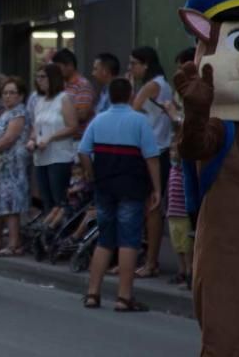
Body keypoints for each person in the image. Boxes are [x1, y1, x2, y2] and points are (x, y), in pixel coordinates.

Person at [79, 78, 160, 312]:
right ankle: (124, 297)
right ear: (131, 94)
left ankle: (93, 293)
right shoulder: (139, 121)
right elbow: (151, 157)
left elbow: (84, 151)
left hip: (104, 186)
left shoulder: (99, 119)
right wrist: (157, 188)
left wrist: (90, 173)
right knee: (129, 240)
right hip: (132, 186)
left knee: (105, 239)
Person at [129, 46, 174, 278]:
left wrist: (129, 88)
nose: (131, 69)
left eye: (133, 64)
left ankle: (151, 261)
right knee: (151, 207)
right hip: (159, 149)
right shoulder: (163, 84)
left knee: (152, 208)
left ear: (145, 64)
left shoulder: (151, 85)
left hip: (152, 151)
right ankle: (147, 259)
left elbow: (132, 112)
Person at [27, 64, 78, 213]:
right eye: (37, 77)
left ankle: (61, 232)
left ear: (53, 78)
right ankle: (48, 231)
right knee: (46, 200)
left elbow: (72, 126)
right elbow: (36, 126)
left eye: (43, 77)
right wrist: (32, 140)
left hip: (59, 156)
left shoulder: (64, 98)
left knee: (59, 199)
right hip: (41, 157)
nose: (39, 81)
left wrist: (50, 138)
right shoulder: (39, 101)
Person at [0, 77, 31, 255]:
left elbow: (9, 138)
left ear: (21, 96)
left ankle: (15, 244)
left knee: (12, 203)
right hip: (3, 165)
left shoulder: (19, 113)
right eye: (5, 93)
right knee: (4, 202)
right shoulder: (6, 113)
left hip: (14, 164)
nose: (7, 96)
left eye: (12, 93)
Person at [165, 142, 192, 288]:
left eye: (174, 150)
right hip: (173, 214)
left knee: (186, 246)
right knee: (177, 246)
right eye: (171, 150)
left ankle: (189, 273)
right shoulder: (172, 170)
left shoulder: (185, 170)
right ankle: (181, 270)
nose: (172, 153)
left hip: (184, 214)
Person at [52, 48, 95, 136]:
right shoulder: (61, 84)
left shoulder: (82, 85)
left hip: (76, 139)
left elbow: (83, 114)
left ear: (70, 65)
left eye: (58, 67)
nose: (56, 71)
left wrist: (55, 115)